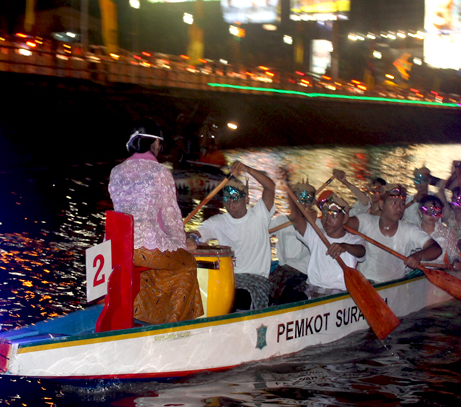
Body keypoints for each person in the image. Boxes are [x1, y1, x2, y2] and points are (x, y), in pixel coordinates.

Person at [108, 119, 204, 325]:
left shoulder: (115, 171)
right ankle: (173, 325)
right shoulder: (160, 172)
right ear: (154, 143)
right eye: (159, 143)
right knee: (187, 263)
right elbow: (171, 217)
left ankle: (145, 316)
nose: (160, 147)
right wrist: (182, 243)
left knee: (157, 267)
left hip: (119, 249)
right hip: (146, 250)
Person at [189, 160, 276, 310]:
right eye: (227, 199)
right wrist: (191, 239)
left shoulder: (260, 214)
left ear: (246, 199)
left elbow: (270, 187)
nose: (230, 204)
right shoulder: (218, 222)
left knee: (232, 298)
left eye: (235, 199)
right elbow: (197, 233)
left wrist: (247, 168)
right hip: (228, 279)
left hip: (255, 281)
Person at [346, 184, 441, 283]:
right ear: (381, 204)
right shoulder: (365, 221)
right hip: (363, 283)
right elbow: (342, 225)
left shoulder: (410, 230)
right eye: (394, 202)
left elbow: (435, 248)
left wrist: (418, 256)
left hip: (393, 286)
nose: (399, 208)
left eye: (402, 203)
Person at [287, 190, 365, 298]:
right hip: (312, 290)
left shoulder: (354, 240)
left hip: (340, 293)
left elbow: (361, 252)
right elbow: (294, 216)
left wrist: (345, 246)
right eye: (325, 213)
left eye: (333, 214)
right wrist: (285, 188)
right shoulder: (315, 235)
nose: (327, 220)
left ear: (345, 218)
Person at [269, 179, 316, 304]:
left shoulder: (319, 225)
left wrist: (313, 223)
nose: (303, 204)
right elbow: (261, 232)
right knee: (267, 293)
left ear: (313, 203)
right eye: (299, 200)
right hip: (282, 271)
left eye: (307, 200)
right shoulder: (281, 221)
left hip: (304, 276)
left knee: (288, 297)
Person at [416, 194, 461, 266]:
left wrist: (456, 262)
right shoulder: (412, 230)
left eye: (436, 211)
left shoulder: (447, 232)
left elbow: (454, 255)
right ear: (420, 211)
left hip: (439, 270)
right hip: (415, 271)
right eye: (428, 211)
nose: (432, 215)